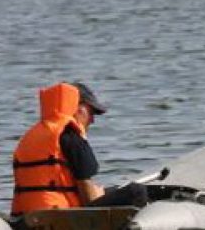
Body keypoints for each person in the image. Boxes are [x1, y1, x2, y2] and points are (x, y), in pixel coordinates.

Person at [11, 82, 145, 217]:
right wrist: (98, 194)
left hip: (28, 218)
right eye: (91, 112)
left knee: (114, 191)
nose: (92, 120)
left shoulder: (30, 136)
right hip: (60, 218)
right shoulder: (72, 137)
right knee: (136, 191)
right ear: (78, 108)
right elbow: (90, 199)